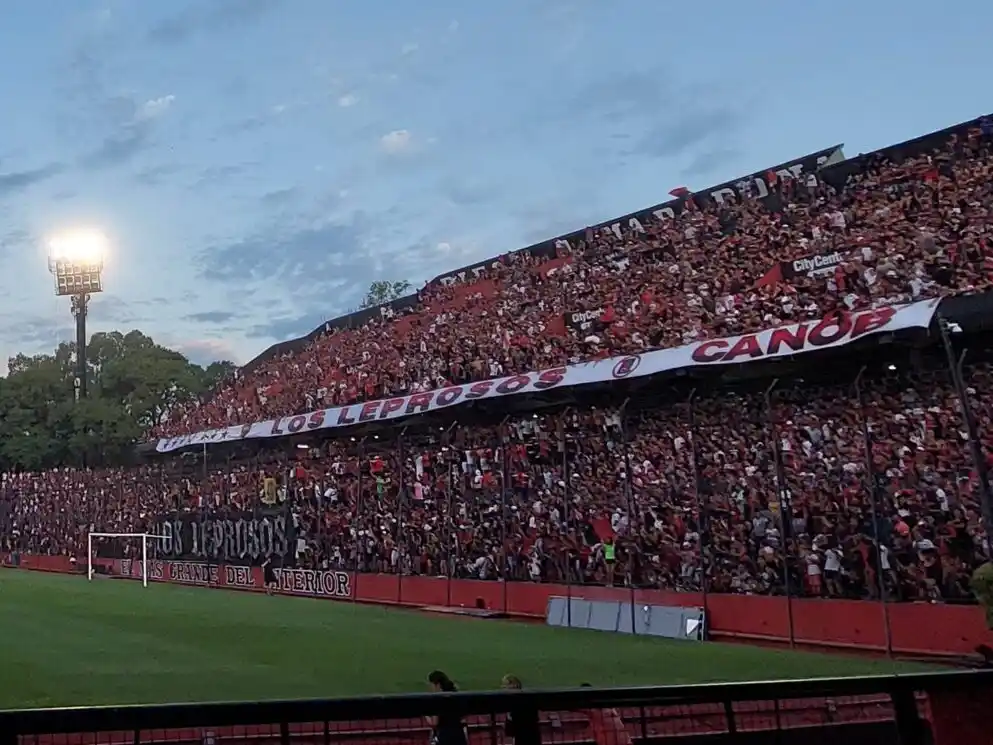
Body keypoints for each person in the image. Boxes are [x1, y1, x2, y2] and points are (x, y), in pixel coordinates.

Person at [426, 671, 468, 745]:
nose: (430, 688)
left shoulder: (437, 699)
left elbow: (434, 723)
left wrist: (425, 715)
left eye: (431, 685)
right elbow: (463, 717)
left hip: (444, 738)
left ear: (438, 685)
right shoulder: (455, 695)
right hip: (459, 736)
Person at [501, 675, 541, 745]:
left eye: (506, 685)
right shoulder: (529, 700)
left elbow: (509, 732)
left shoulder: (513, 706)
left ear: (513, 686)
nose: (504, 688)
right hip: (534, 739)